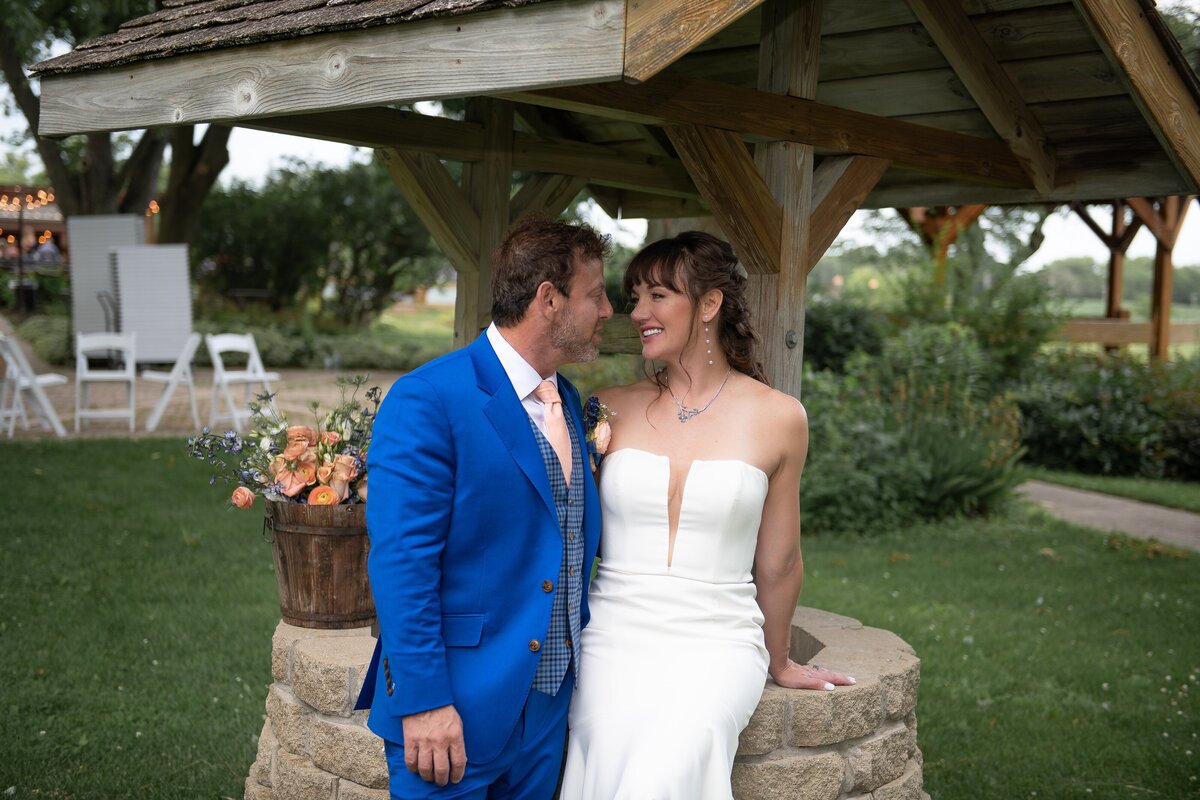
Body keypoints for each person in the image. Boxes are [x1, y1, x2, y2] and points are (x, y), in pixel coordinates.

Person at [559, 231, 854, 799]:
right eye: (635, 296)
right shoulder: (606, 407)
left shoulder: (779, 417)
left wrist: (781, 657)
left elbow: (780, 561)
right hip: (612, 634)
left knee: (674, 757)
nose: (636, 312)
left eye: (657, 296)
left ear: (710, 304)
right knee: (604, 737)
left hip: (718, 639)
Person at [356, 215, 613, 798]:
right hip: (454, 711)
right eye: (595, 294)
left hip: (547, 711)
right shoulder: (429, 398)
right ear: (549, 299)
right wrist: (424, 702)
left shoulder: (566, 399)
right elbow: (402, 563)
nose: (607, 311)